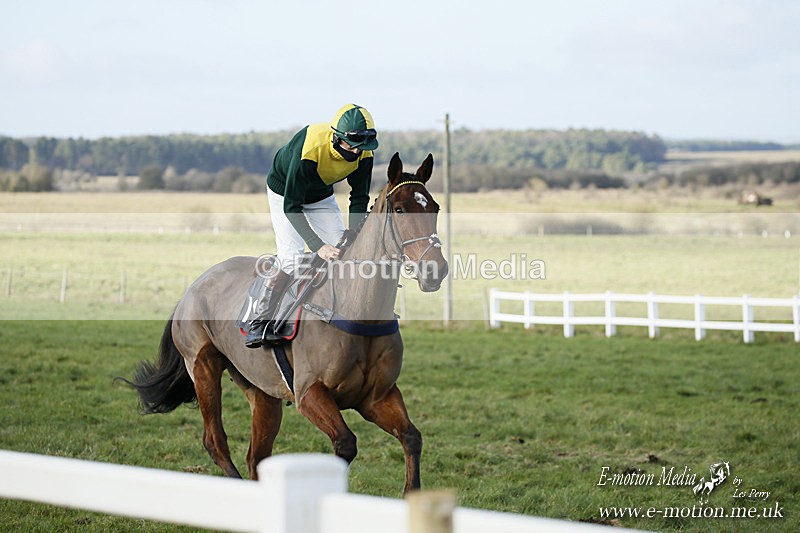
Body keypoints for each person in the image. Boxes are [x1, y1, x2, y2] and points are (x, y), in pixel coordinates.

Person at [245, 103, 379, 348]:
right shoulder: (310, 148)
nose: (358, 151)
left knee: (344, 251)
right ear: (337, 138)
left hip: (320, 196)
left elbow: (359, 197)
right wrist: (318, 246)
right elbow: (292, 206)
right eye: (352, 145)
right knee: (292, 258)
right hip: (285, 194)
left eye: (362, 147)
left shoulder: (365, 153)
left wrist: (355, 233)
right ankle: (260, 320)